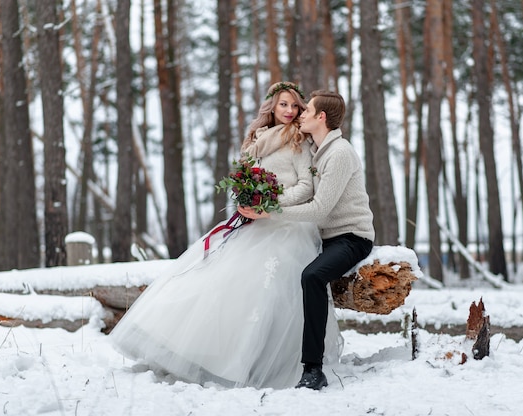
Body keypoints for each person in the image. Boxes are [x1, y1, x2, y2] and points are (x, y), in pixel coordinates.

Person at [110, 82, 342, 389]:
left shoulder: (298, 140)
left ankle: (257, 362)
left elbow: (305, 188)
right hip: (254, 224)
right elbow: (245, 178)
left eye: (295, 106)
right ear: (271, 107)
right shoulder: (255, 141)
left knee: (266, 287)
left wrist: (271, 203)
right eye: (283, 105)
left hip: (287, 227)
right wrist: (248, 199)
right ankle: (196, 352)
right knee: (212, 278)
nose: (289, 111)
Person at [239, 90, 375, 390]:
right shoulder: (319, 148)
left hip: (351, 237)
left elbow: (319, 208)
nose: (300, 113)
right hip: (326, 236)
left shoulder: (340, 153)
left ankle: (313, 369)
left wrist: (269, 212)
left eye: (307, 109)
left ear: (321, 117)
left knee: (312, 276)